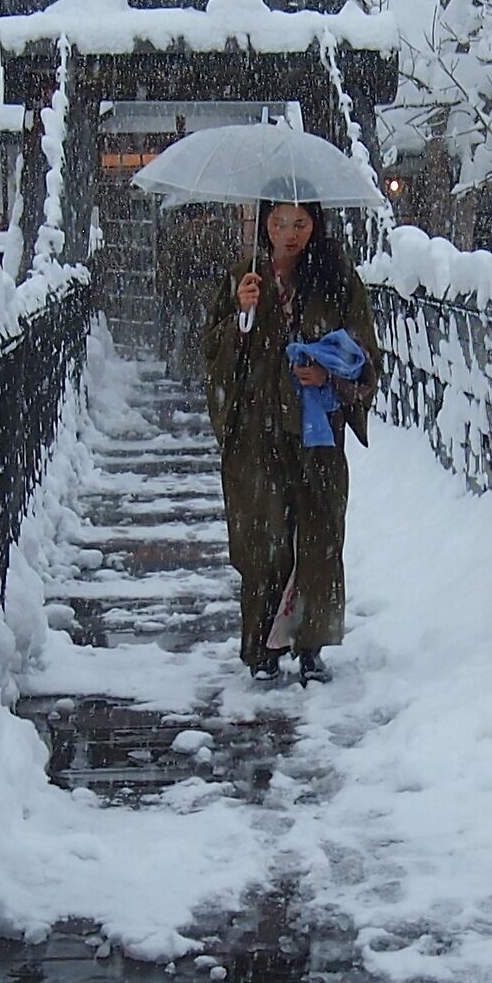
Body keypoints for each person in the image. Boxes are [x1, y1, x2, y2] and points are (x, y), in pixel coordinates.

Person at [202, 198, 379, 684]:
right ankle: (261, 646)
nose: (289, 233)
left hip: (316, 429)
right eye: (279, 222)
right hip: (257, 431)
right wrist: (242, 317)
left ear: (314, 224)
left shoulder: (337, 279)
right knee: (264, 538)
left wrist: (327, 370)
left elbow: (363, 349)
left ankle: (310, 642)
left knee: (319, 533)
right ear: (265, 223)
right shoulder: (246, 277)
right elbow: (211, 350)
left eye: (300, 223)